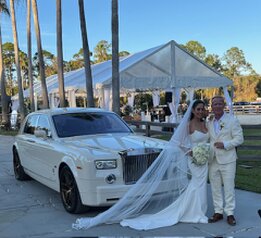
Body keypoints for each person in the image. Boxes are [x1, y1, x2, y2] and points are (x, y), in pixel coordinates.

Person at [73, 99, 210, 230]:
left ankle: (198, 210)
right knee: (197, 184)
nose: (200, 111)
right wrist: (190, 152)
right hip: (194, 158)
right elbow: (177, 142)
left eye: (202, 109)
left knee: (200, 184)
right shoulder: (188, 125)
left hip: (204, 159)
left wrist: (204, 151)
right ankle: (194, 212)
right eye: (198, 109)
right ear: (192, 110)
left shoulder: (206, 123)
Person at [207, 95, 244, 226]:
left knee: (229, 188)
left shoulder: (232, 120)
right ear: (211, 107)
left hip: (228, 159)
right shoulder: (209, 121)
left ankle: (230, 213)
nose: (216, 106)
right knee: (215, 187)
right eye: (214, 104)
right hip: (213, 160)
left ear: (223, 105)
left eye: (219, 104)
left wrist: (225, 144)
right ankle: (218, 212)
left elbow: (239, 139)